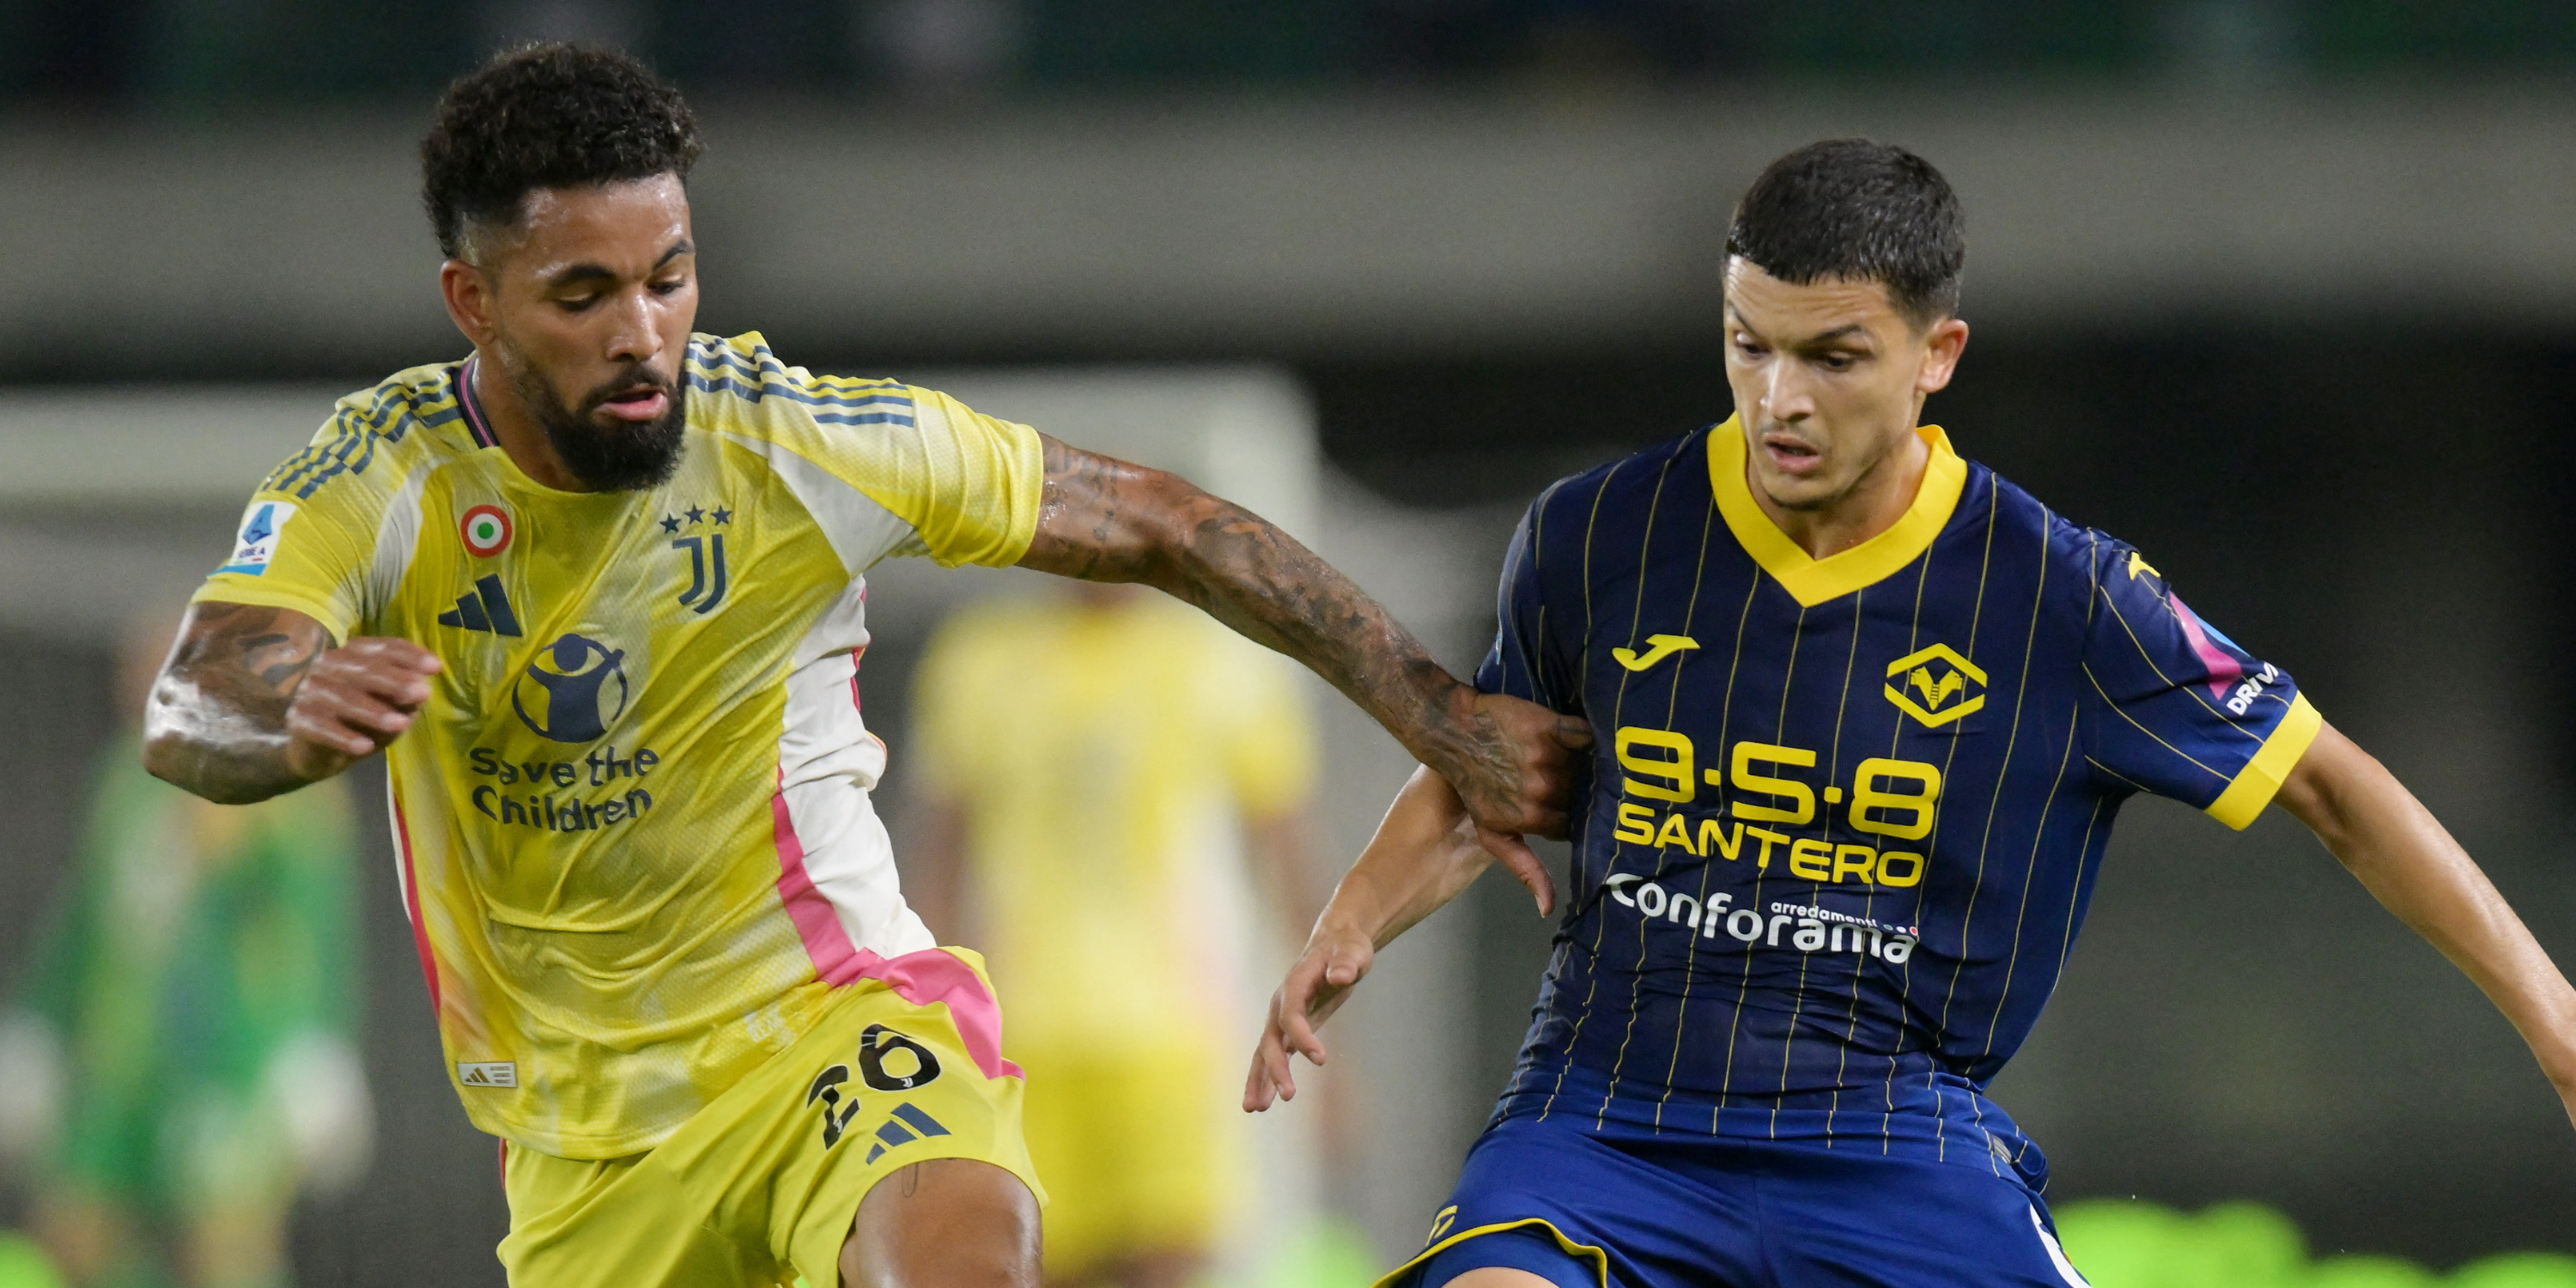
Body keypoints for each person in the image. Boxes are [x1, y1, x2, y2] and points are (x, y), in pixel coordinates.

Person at [138, 44, 1583, 1288]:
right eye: (583, 294)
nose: (644, 333)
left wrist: (1442, 716)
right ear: (474, 301)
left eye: (670, 277)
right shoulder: (380, 476)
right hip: (587, 1141)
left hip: (833, 1026)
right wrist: (280, 712)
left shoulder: (797, 443)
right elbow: (199, 689)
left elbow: (1163, 522)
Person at [1244, 139, 2576, 1287]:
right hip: (1604, 1125)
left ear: (1938, 355)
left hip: (1888, 1138)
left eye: (1833, 357)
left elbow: (2332, 786)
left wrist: (2555, 1021)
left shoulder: (2062, 593)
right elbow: (1493, 768)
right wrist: (1350, 920)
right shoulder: (1596, 535)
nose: (1780, 401)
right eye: (1747, 346)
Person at [908, 582, 1327, 1288]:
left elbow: (1284, 849)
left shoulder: (1216, 660)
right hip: (1022, 1036)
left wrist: (1327, 1039)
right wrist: (929, 1019)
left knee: (1169, 1265)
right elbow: (942, 852)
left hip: (1177, 1037)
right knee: (1037, 1265)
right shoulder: (982, 658)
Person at [0, 618, 369, 1288]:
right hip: (120, 1059)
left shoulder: (291, 784)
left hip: (230, 1061)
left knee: (223, 1243)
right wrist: (39, 1026)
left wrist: (314, 1046)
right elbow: (85, 922)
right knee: (76, 1232)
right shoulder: (121, 781)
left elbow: (311, 928)